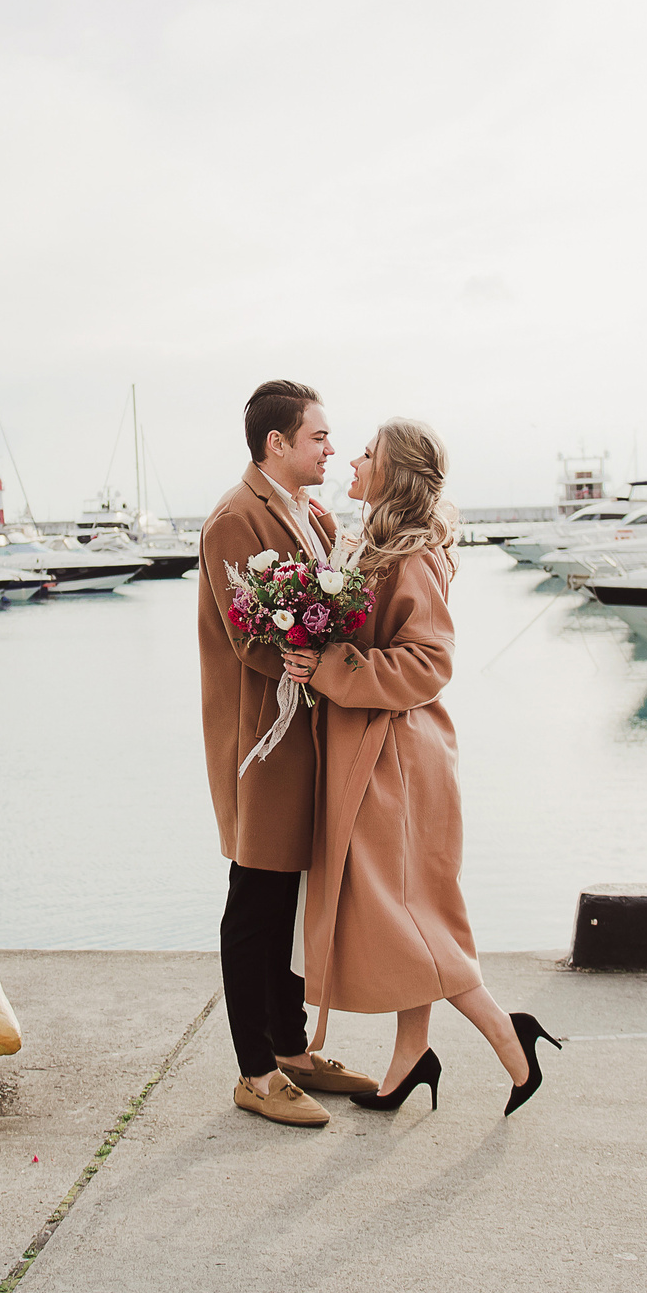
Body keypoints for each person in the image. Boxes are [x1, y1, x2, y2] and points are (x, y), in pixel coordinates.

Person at [285, 417, 561, 1116]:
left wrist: (331, 667)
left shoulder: (411, 556)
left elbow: (429, 662)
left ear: (393, 471)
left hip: (397, 761)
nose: (352, 457)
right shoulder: (377, 542)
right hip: (376, 751)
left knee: (411, 916)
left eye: (368, 452)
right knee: (410, 912)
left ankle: (510, 1039)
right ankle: (410, 1058)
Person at [197, 379, 380, 1128]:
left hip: (307, 736)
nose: (331, 448)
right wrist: (314, 660)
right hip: (261, 745)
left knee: (287, 902)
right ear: (278, 443)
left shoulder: (315, 513)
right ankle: (255, 1071)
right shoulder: (232, 520)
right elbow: (251, 636)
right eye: (319, 437)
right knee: (255, 904)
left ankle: (291, 1048)